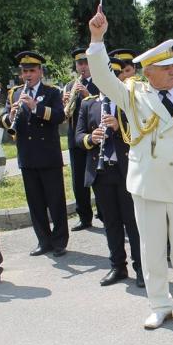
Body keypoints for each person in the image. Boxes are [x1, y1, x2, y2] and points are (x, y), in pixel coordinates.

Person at [87, 5, 173, 329]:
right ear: (148, 72)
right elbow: (102, 76)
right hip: (149, 186)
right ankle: (159, 303)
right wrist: (97, 39)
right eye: (166, 67)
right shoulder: (133, 94)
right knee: (152, 250)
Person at [75, 57, 144, 288]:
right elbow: (77, 137)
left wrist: (120, 125)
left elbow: (143, 132)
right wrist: (90, 138)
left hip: (126, 171)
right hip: (101, 172)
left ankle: (142, 268)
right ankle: (118, 266)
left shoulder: (130, 102)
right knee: (111, 223)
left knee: (133, 223)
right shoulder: (89, 104)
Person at [0, 52, 69, 256]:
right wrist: (9, 116)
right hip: (27, 156)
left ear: (39, 71)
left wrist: (35, 107)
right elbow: (4, 119)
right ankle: (43, 241)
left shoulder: (52, 92)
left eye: (31, 70)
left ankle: (59, 242)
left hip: (48, 155)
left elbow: (59, 116)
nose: (27, 74)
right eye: (24, 71)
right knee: (35, 202)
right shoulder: (15, 93)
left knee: (55, 201)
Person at [64, 48, 101, 231]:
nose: (83, 66)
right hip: (76, 138)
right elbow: (65, 115)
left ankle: (103, 212)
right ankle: (84, 216)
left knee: (99, 177)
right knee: (78, 181)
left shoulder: (100, 83)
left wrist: (87, 95)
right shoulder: (70, 86)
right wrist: (65, 104)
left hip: (95, 138)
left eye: (86, 62)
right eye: (80, 63)